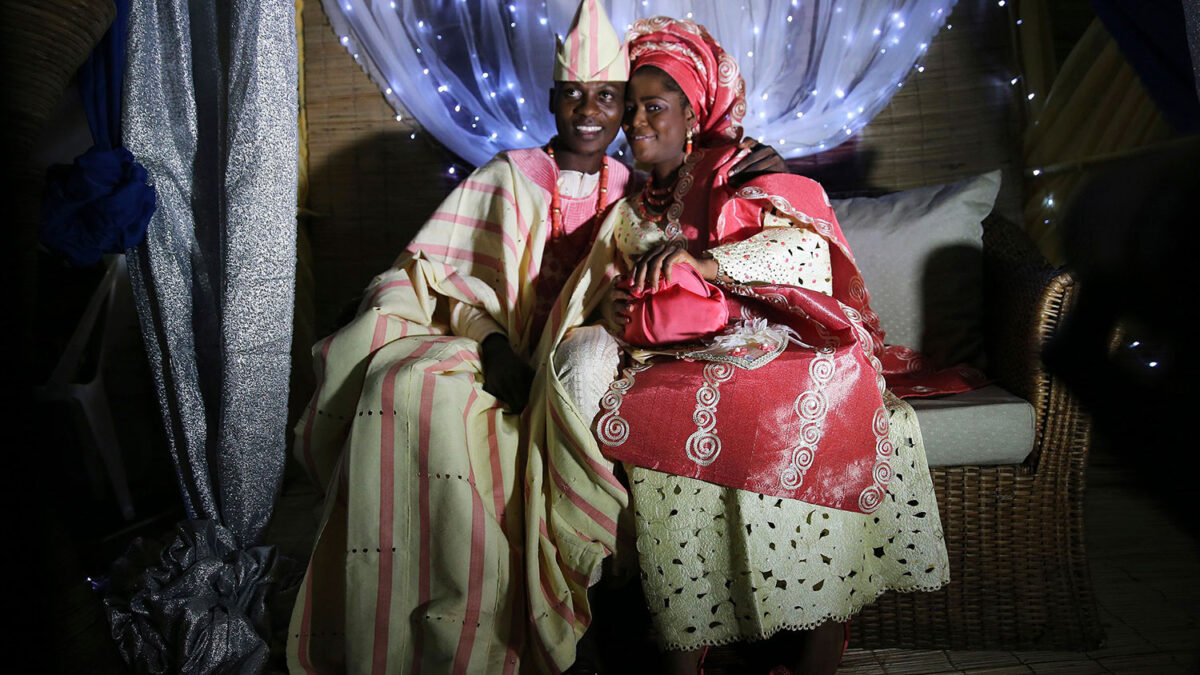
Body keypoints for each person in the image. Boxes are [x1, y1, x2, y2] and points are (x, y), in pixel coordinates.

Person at [286, 3, 784, 672]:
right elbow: (442, 277)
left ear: (624, 107)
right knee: (405, 385)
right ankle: (399, 632)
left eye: (608, 97)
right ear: (551, 99)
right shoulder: (507, 173)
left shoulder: (632, 192)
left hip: (565, 351)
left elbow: (668, 263)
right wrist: (492, 346)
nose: (591, 109)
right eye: (573, 94)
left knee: (484, 419)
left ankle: (516, 623)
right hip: (487, 343)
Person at [549, 17, 959, 675]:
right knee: (662, 412)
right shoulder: (631, 205)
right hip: (684, 354)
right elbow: (610, 281)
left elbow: (808, 255)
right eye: (629, 110)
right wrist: (611, 303)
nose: (636, 123)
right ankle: (687, 644)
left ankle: (817, 641)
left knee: (790, 399)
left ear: (693, 111)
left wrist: (708, 263)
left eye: (653, 107)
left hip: (781, 333)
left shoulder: (740, 166)